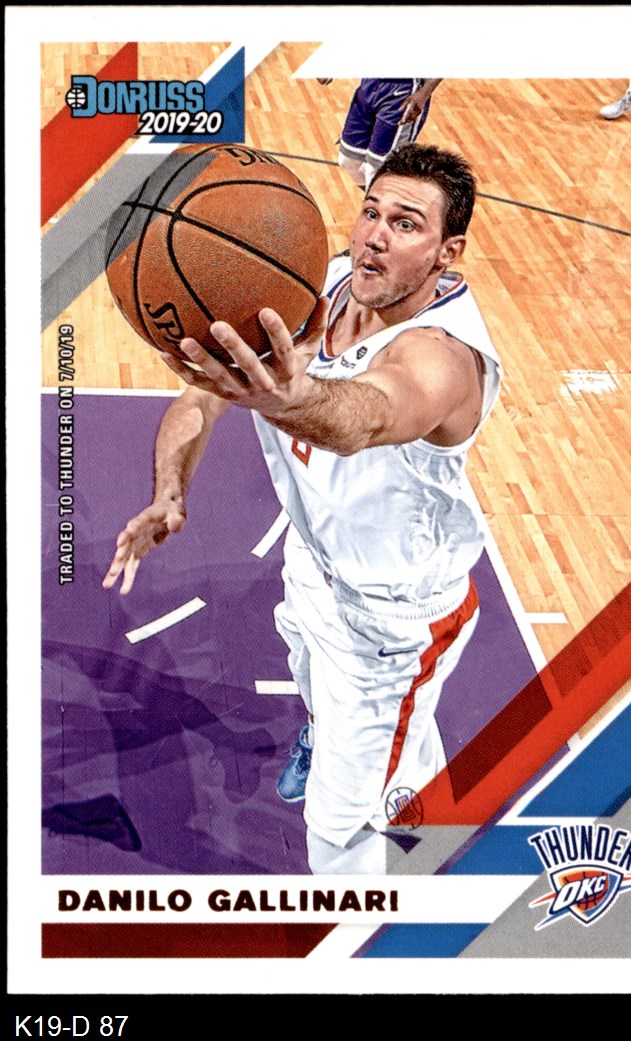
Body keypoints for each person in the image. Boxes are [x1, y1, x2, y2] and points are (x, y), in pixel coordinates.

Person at [103, 144, 503, 875]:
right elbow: (200, 398)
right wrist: (170, 489)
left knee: (338, 835)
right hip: (316, 564)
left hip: (393, 621)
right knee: (315, 681)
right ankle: (344, 739)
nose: (374, 236)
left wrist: (288, 398)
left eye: (405, 224)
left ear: (448, 252)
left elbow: (366, 417)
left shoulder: (444, 357)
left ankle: (369, 912)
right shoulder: (318, 286)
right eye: (371, 212)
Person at [320, 78, 442, 189]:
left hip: (403, 92)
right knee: (348, 161)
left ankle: (378, 201)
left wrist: (424, 93)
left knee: (378, 170)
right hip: (369, 83)